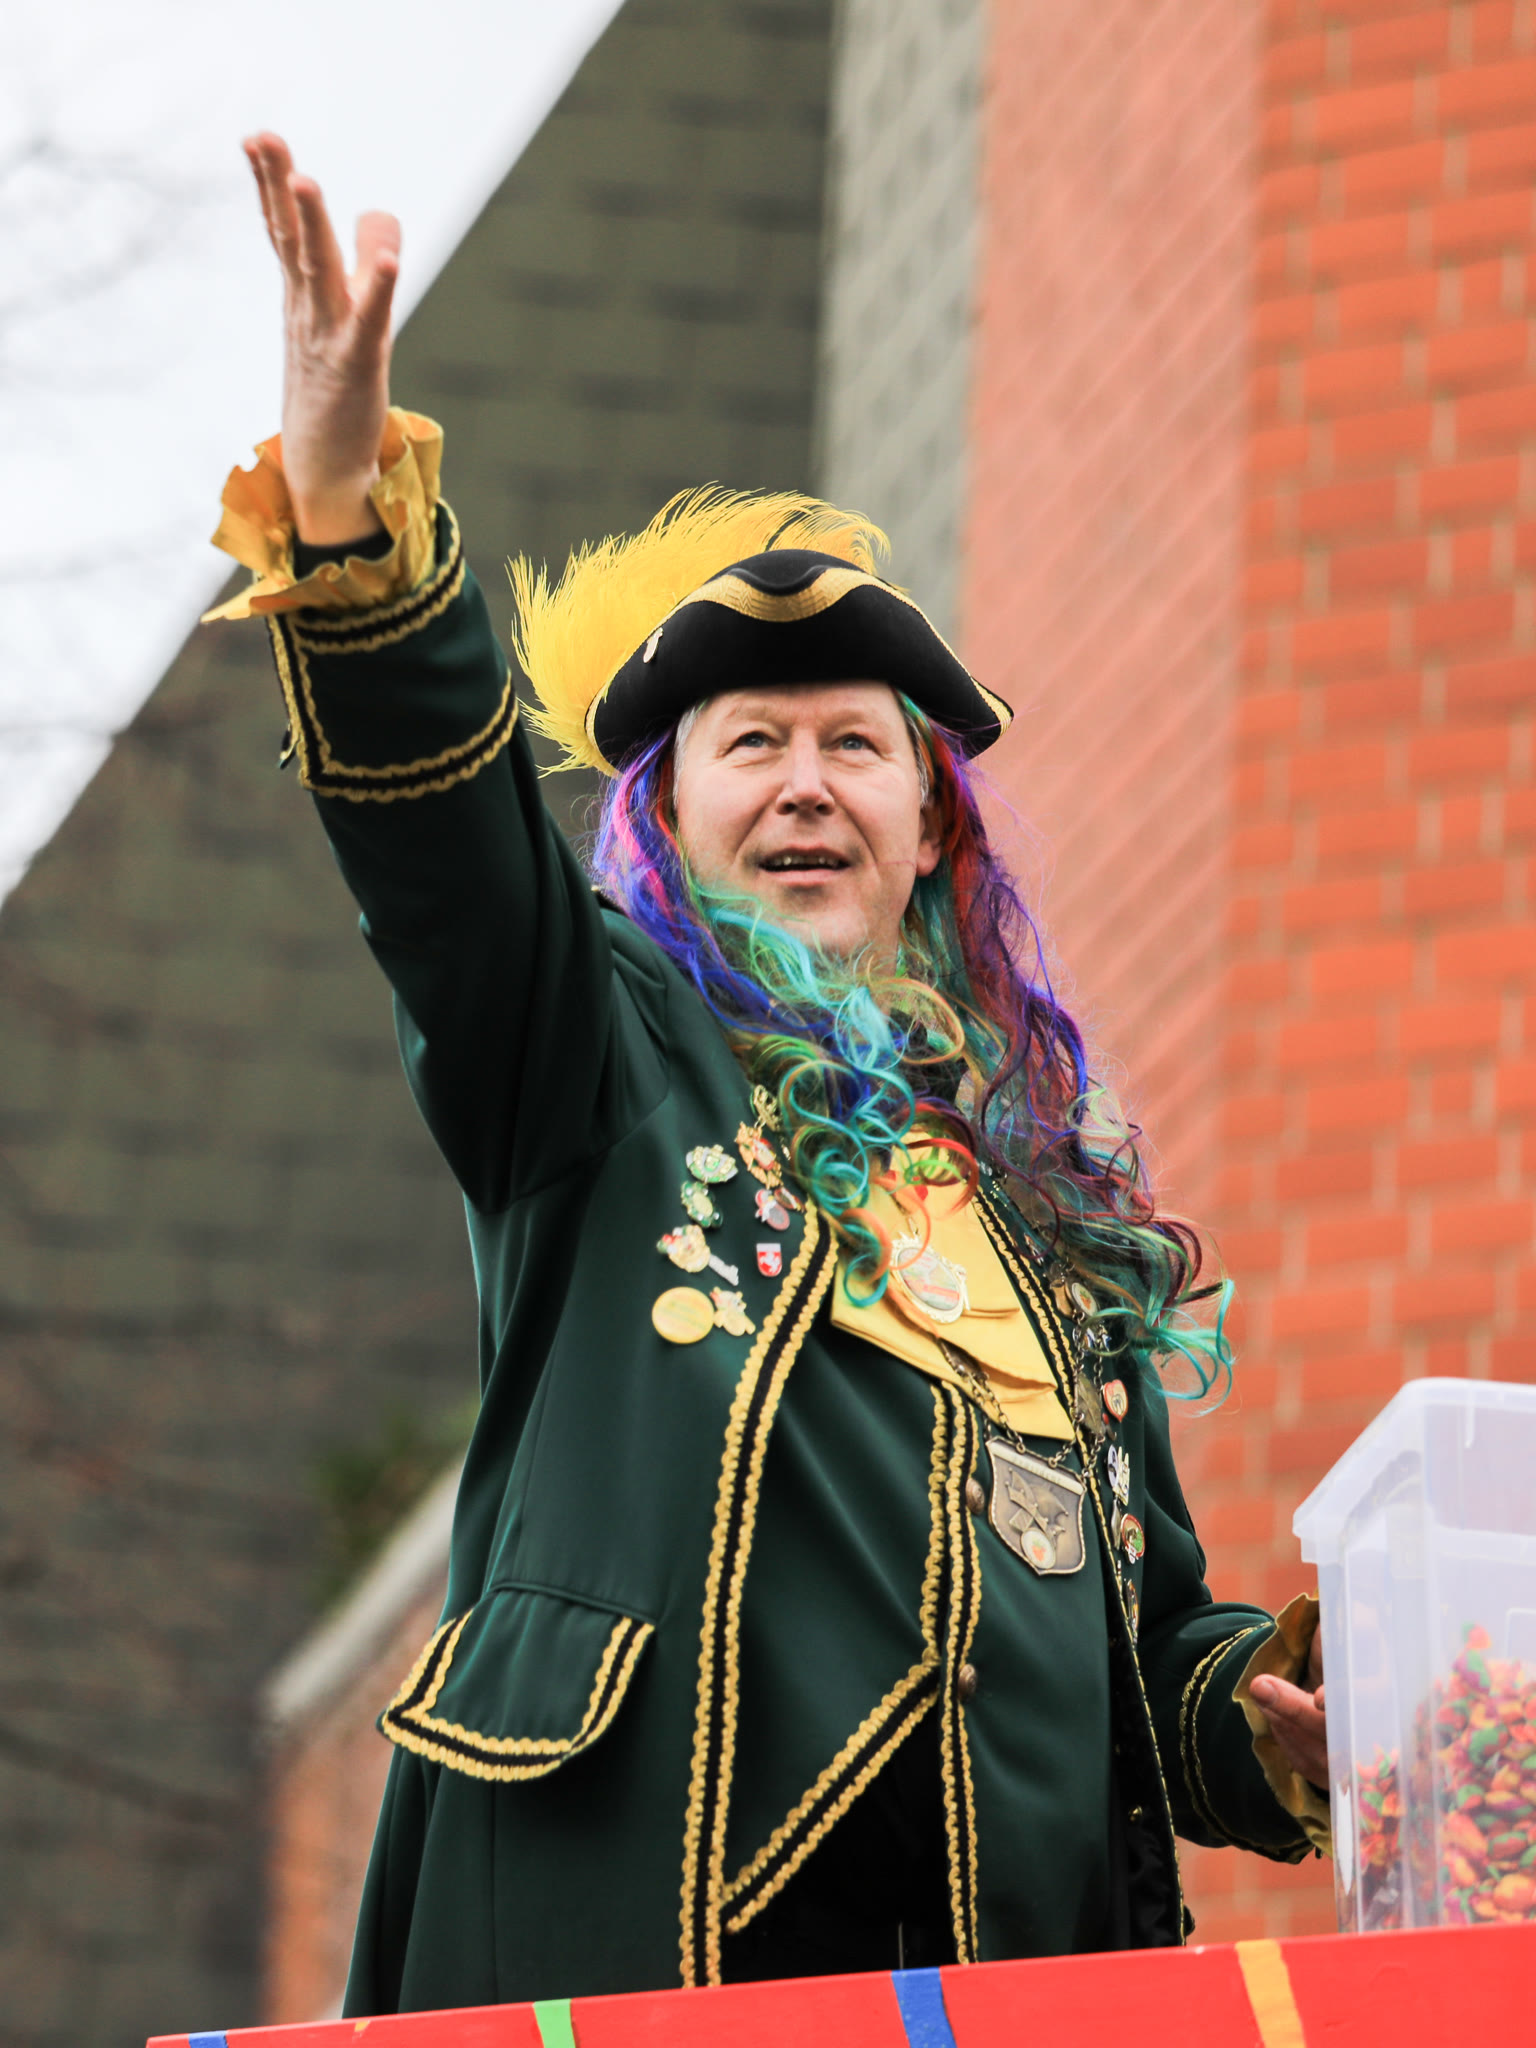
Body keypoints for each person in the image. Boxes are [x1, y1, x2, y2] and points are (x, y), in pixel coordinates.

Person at [213, 134, 1332, 2015]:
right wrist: (348, 539)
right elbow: (446, 863)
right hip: (641, 1941)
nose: (806, 782)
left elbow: (1138, 1653)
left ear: (929, 830)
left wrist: (1278, 1713)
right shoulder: (595, 1056)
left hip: (993, 1984)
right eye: (750, 744)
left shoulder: (1048, 1217)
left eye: (855, 747)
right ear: (665, 826)